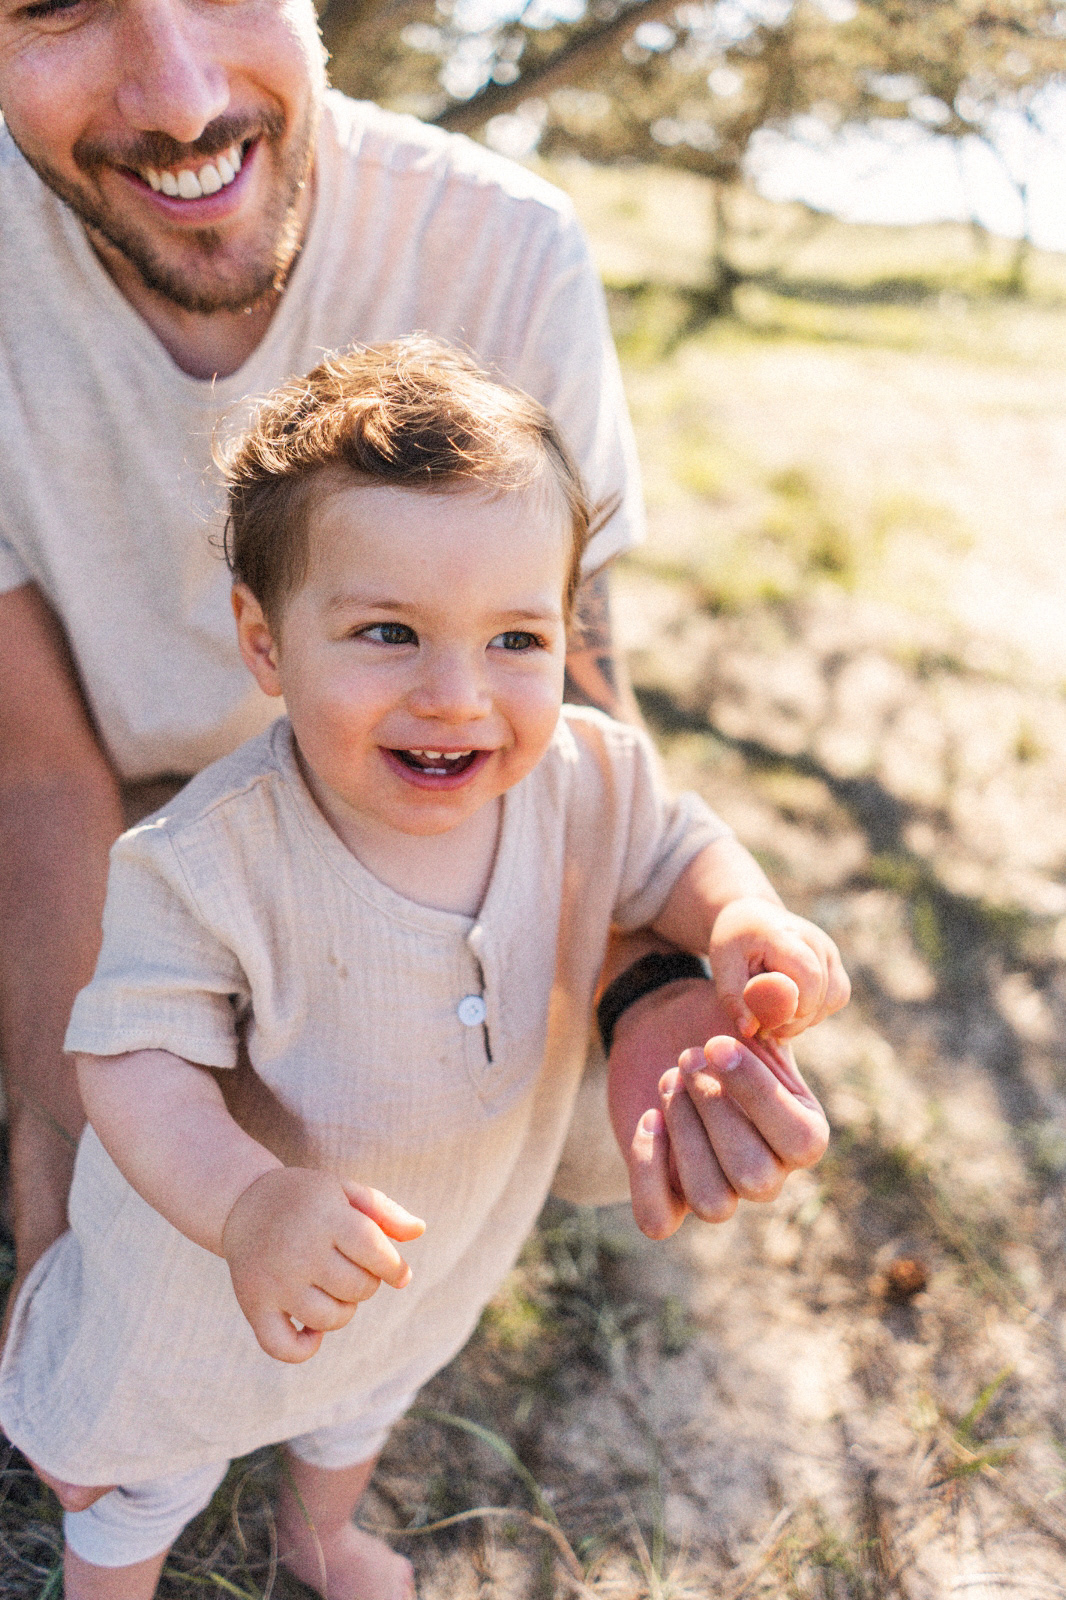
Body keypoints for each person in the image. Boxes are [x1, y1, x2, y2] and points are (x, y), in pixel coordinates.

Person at [0, 0, 833, 1292]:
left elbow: (573, 701)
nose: (180, 98)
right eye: (57, 3)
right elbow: (38, 776)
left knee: (587, 1134)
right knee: (144, 1142)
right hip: (123, 814)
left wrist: (641, 980)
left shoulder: (506, 245)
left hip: (402, 807)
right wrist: (69, 1153)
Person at [0, 338, 848, 1600]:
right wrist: (247, 1206)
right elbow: (130, 1061)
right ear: (266, 643)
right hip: (211, 1274)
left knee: (365, 1398)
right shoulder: (204, 859)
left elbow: (676, 849)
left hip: (425, 1251)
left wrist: (739, 919)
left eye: (516, 638)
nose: (457, 695)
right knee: (145, 1483)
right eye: (388, 632)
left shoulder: (589, 776)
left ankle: (321, 1534)